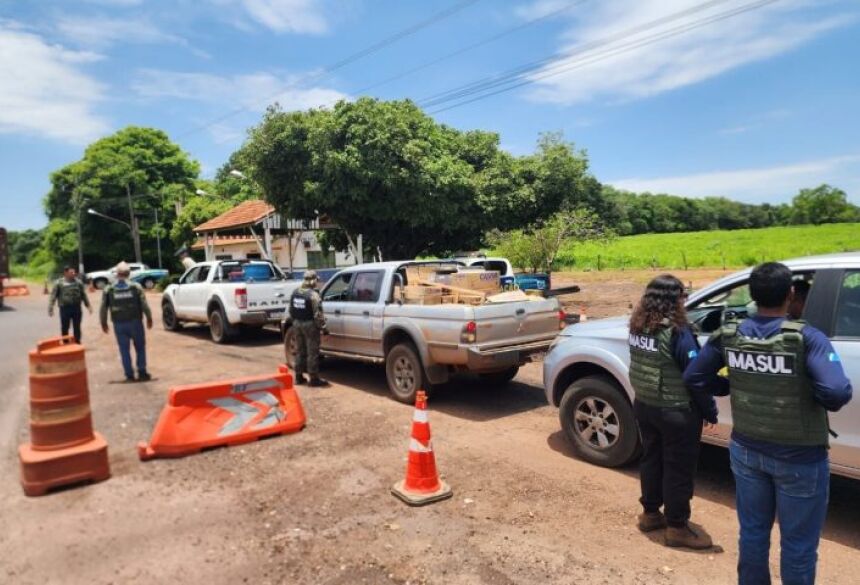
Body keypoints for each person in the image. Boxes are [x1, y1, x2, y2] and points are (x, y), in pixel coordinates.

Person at [684, 262, 852, 585]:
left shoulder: (729, 335)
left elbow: (695, 377)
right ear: (791, 295)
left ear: (752, 295)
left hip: (747, 450)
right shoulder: (808, 339)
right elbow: (836, 392)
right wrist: (805, 392)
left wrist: (730, 386)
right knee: (799, 546)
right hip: (800, 459)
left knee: (753, 533)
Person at [628, 274, 716, 549]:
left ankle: (650, 514)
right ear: (674, 299)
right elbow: (695, 377)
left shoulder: (638, 326)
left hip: (645, 404)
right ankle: (677, 527)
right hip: (676, 411)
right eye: (682, 296)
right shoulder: (677, 332)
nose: (685, 301)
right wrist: (709, 410)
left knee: (651, 460)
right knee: (678, 469)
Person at [99, 261, 153, 382]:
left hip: (119, 324)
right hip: (135, 322)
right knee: (140, 348)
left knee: (124, 350)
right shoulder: (136, 287)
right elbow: (144, 305)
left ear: (117, 274)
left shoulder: (109, 289)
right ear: (129, 273)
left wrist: (103, 322)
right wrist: (149, 318)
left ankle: (129, 375)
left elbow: (103, 307)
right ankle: (142, 372)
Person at [288, 270, 329, 387]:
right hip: (310, 326)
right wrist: (324, 328)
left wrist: (296, 322)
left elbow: (291, 310)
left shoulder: (295, 292)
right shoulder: (313, 295)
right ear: (313, 280)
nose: (317, 282)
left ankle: (298, 377)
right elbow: (318, 315)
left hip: (297, 324)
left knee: (300, 351)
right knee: (312, 353)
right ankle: (314, 379)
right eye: (316, 279)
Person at [48, 266, 92, 343]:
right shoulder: (59, 283)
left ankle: (77, 342)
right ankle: (65, 342)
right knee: (65, 327)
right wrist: (50, 308)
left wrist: (88, 306)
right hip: (65, 308)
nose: (74, 273)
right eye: (71, 272)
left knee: (77, 326)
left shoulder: (78, 282)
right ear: (65, 273)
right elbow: (53, 296)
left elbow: (83, 295)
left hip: (76, 308)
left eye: (74, 272)